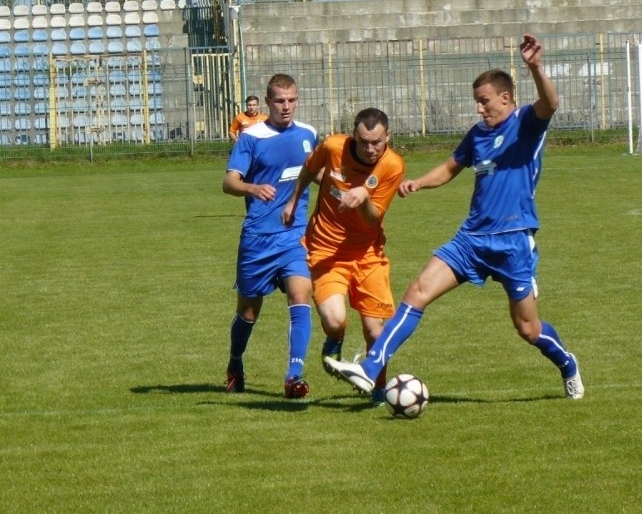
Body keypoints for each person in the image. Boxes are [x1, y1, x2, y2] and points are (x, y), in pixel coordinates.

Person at [324, 33, 585, 401]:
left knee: (527, 328)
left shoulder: (526, 122)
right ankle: (370, 368)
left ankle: (566, 363)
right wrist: (419, 183)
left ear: (506, 98)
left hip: (513, 240)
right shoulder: (477, 135)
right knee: (417, 292)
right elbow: (450, 168)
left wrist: (535, 67)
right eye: (477, 102)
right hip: (472, 239)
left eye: (484, 101)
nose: (479, 109)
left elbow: (551, 102)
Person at [282, 108, 405, 405]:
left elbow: (373, 219)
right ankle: (334, 342)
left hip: (368, 254)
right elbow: (310, 170)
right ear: (353, 135)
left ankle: (378, 389)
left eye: (376, 142)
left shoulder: (392, 165)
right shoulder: (333, 146)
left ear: (387, 136)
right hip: (326, 250)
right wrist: (293, 200)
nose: (370, 149)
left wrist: (362, 198)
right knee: (335, 320)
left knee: (375, 331)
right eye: (363, 141)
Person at [222, 74, 317, 398]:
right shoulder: (251, 137)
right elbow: (229, 182)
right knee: (248, 313)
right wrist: (251, 187)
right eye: (279, 100)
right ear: (267, 101)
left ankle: (294, 375)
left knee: (301, 296)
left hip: (294, 236)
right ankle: (235, 362)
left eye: (291, 100)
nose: (286, 106)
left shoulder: (308, 134)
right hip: (258, 239)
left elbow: (316, 173)